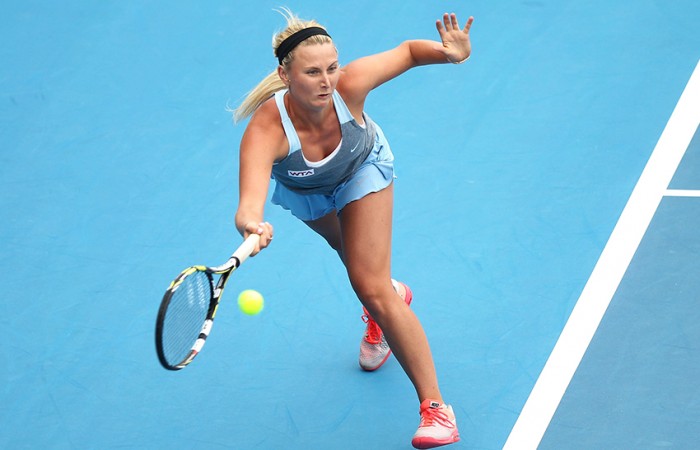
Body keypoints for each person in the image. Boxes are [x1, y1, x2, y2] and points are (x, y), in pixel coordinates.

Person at [232, 8, 473, 449]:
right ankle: (388, 303)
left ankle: (437, 411)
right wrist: (253, 224)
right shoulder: (266, 129)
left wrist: (450, 54)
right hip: (309, 194)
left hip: (363, 168)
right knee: (359, 265)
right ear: (284, 74)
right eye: (311, 72)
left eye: (331, 68)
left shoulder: (350, 85)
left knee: (369, 283)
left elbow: (406, 53)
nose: (326, 81)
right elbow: (249, 204)